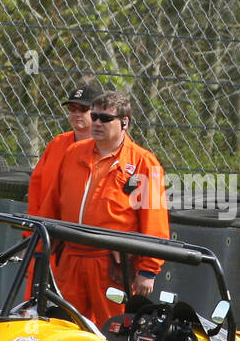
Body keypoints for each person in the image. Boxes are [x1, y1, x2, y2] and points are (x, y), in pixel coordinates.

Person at [33, 90, 169, 325]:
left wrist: (148, 270)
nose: (96, 122)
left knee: (114, 330)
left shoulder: (143, 162)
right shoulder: (74, 152)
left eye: (105, 119)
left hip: (112, 264)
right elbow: (52, 204)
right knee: (62, 325)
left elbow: (155, 221)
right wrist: (40, 248)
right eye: (94, 116)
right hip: (71, 258)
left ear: (124, 123)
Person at [26, 82, 105, 216]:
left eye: (83, 108)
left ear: (98, 112)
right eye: (72, 108)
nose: (77, 113)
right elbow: (36, 185)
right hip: (48, 223)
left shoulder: (106, 147)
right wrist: (32, 226)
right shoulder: (58, 142)